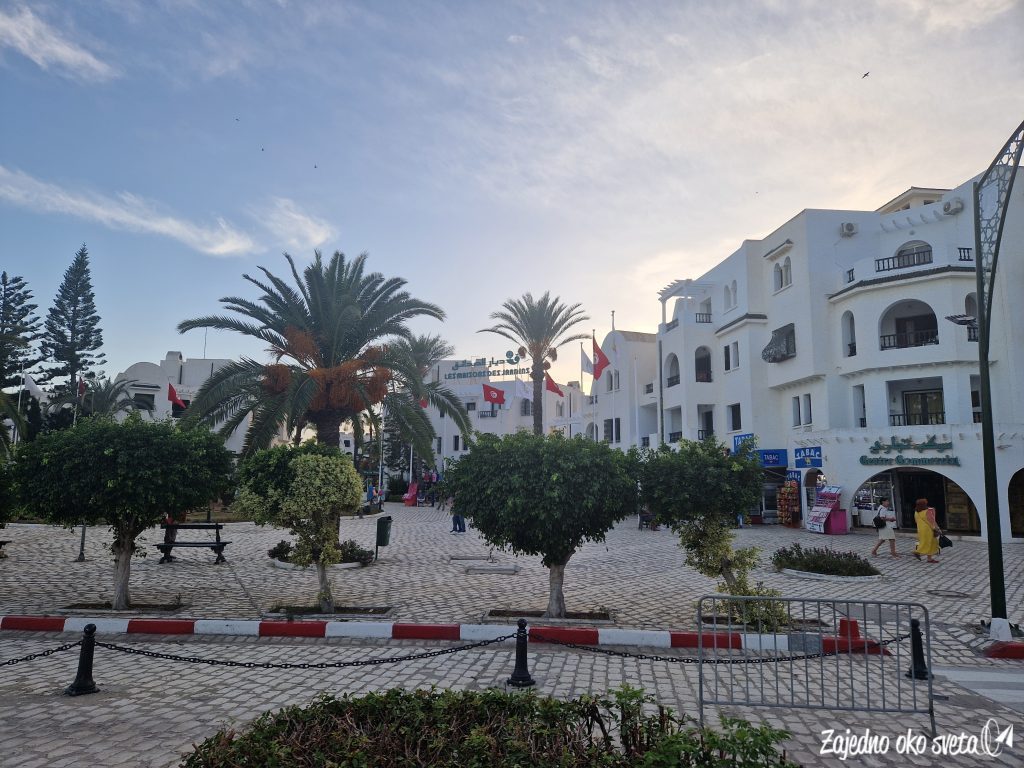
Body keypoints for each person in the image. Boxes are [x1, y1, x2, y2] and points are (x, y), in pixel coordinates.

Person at [911, 498, 941, 563]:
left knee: (925, 542)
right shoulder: (927, 511)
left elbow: (916, 521)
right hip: (928, 530)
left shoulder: (916, 512)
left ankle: (929, 558)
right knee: (930, 543)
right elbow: (932, 521)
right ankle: (917, 552)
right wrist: (937, 529)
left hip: (920, 529)